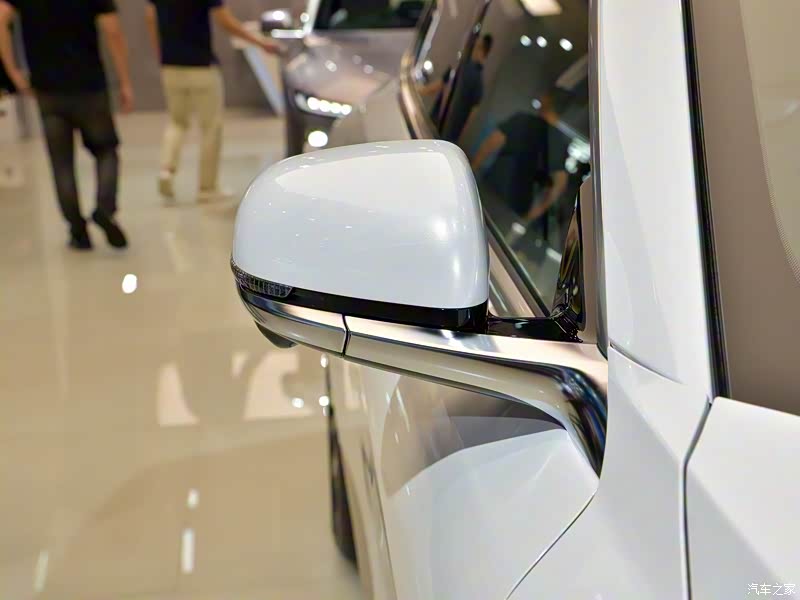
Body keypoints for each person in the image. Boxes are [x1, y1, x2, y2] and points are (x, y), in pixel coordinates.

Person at [0, 0, 133, 250]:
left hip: (48, 90)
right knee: (106, 150)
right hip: (90, 87)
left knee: (61, 163)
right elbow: (112, 30)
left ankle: (77, 230)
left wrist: (13, 72)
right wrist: (125, 81)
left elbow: (1, 17)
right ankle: (105, 208)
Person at [145, 0, 283, 202]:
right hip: (201, 66)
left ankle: (167, 170)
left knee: (177, 122)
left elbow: (150, 16)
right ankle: (207, 188)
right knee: (211, 127)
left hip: (170, 65)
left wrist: (161, 52)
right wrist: (260, 43)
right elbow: (225, 21)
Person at [470, 93, 571, 244]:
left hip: (489, 190)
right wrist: (535, 212)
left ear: (548, 101)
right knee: (490, 246)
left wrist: (472, 170)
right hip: (515, 208)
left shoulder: (523, 120)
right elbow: (560, 184)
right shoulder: (559, 142)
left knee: (468, 229)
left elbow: (492, 142)